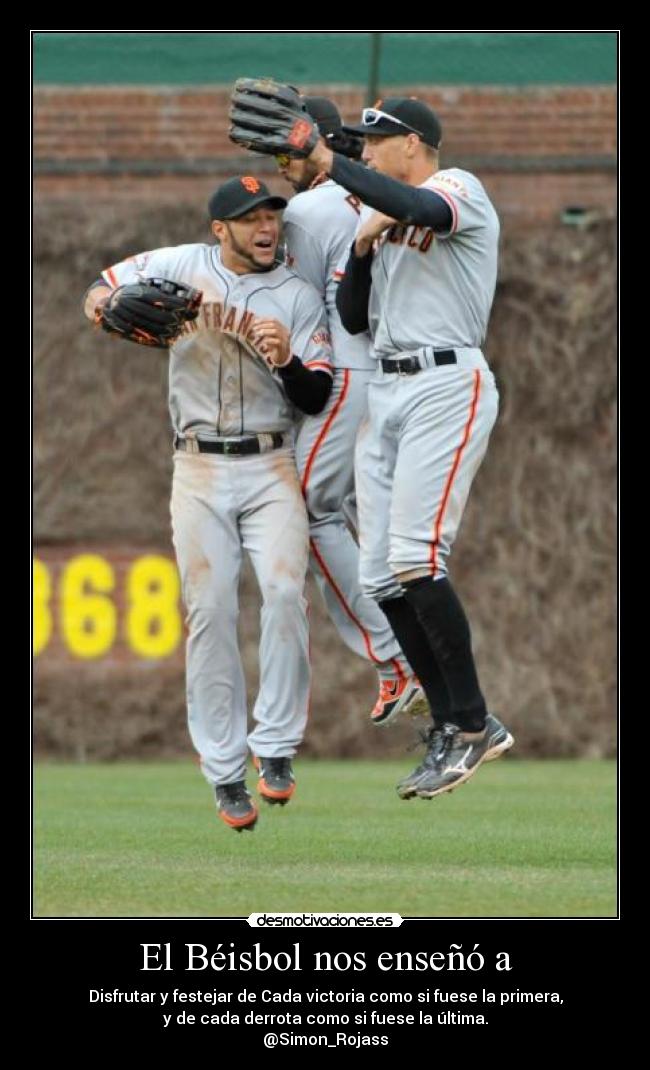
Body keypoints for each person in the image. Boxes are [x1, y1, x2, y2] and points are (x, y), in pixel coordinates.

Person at [83, 176, 333, 831]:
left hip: (271, 462)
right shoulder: (178, 265)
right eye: (250, 218)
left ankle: (274, 750)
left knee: (283, 593)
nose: (266, 227)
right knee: (210, 608)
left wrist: (286, 364)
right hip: (196, 466)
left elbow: (315, 396)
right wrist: (103, 303)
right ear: (218, 228)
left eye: (272, 215)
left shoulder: (300, 297)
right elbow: (100, 290)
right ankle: (224, 772)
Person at [302, 97, 515, 799]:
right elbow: (356, 315)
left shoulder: (457, 188)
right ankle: (453, 723)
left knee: (419, 558)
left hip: (444, 381)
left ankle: (475, 723)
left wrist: (333, 165)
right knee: (381, 576)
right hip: (387, 393)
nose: (365, 149)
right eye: (358, 141)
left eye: (376, 139)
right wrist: (362, 246)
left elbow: (421, 210)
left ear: (414, 144)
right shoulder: (379, 213)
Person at [276, 96, 426, 726]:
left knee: (308, 510)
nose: (280, 165)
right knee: (382, 534)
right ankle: (422, 656)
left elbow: (303, 304)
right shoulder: (388, 190)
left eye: (282, 152)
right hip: (401, 373)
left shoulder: (307, 210)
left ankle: (395, 656)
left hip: (349, 371)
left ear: (304, 146)